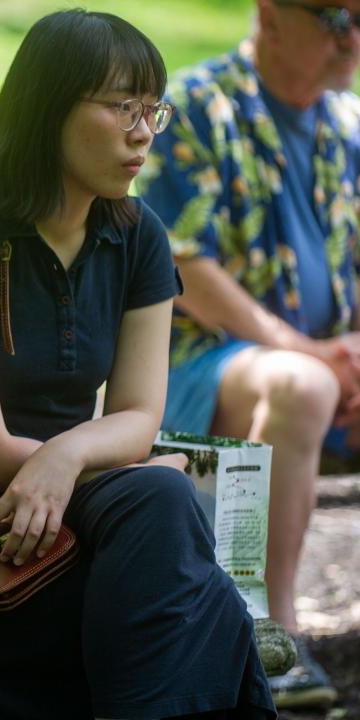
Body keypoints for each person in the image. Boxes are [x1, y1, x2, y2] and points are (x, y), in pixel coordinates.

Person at [0, 9, 277, 720]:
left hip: (70, 521)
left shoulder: (138, 235)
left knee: (169, 540)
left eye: (154, 110)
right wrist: (90, 463)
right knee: (186, 566)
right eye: (123, 107)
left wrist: (68, 456)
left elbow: (137, 421)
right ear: (49, 107)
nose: (143, 132)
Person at [137, 0, 360, 708]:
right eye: (334, 16)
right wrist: (312, 354)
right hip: (200, 366)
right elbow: (183, 265)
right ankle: (271, 640)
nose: (352, 38)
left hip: (328, 366)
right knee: (299, 386)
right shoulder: (197, 108)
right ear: (270, 14)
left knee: (311, 383)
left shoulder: (349, 123)